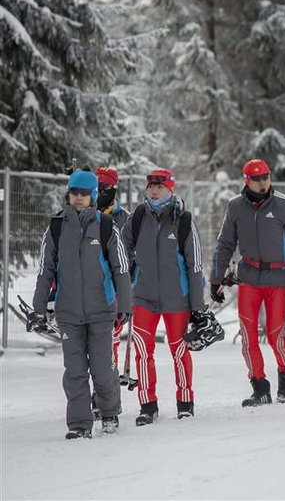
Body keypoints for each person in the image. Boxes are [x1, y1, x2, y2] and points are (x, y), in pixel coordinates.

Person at [31, 169, 132, 439]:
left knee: (101, 367)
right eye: (74, 192)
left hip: (102, 310)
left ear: (93, 196)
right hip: (69, 312)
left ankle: (109, 413)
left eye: (84, 194)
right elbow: (45, 270)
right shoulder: (55, 227)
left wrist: (125, 305)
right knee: (74, 371)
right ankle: (79, 423)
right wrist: (38, 309)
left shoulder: (107, 226)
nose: (78, 198)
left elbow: (121, 268)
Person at [211, 159, 285, 407]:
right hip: (249, 278)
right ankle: (260, 386)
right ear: (247, 181)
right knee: (248, 336)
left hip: (278, 278)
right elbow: (224, 245)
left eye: (266, 177)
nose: (263, 182)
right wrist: (216, 280)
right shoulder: (235, 207)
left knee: (276, 334)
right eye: (257, 179)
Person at [126, 169, 205, 425]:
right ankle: (147, 405)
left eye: (159, 186)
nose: (154, 190)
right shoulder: (137, 217)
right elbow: (121, 252)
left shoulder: (183, 220)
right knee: (142, 351)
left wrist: (197, 305)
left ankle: (185, 402)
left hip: (176, 299)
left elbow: (195, 265)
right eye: (151, 185)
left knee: (179, 351)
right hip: (143, 296)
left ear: (170, 189)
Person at [91, 166, 130, 419]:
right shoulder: (84, 214)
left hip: (112, 292)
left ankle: (106, 398)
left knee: (109, 346)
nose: (101, 193)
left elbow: (129, 255)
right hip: (86, 290)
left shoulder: (123, 218)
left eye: (106, 188)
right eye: (98, 189)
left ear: (114, 190)